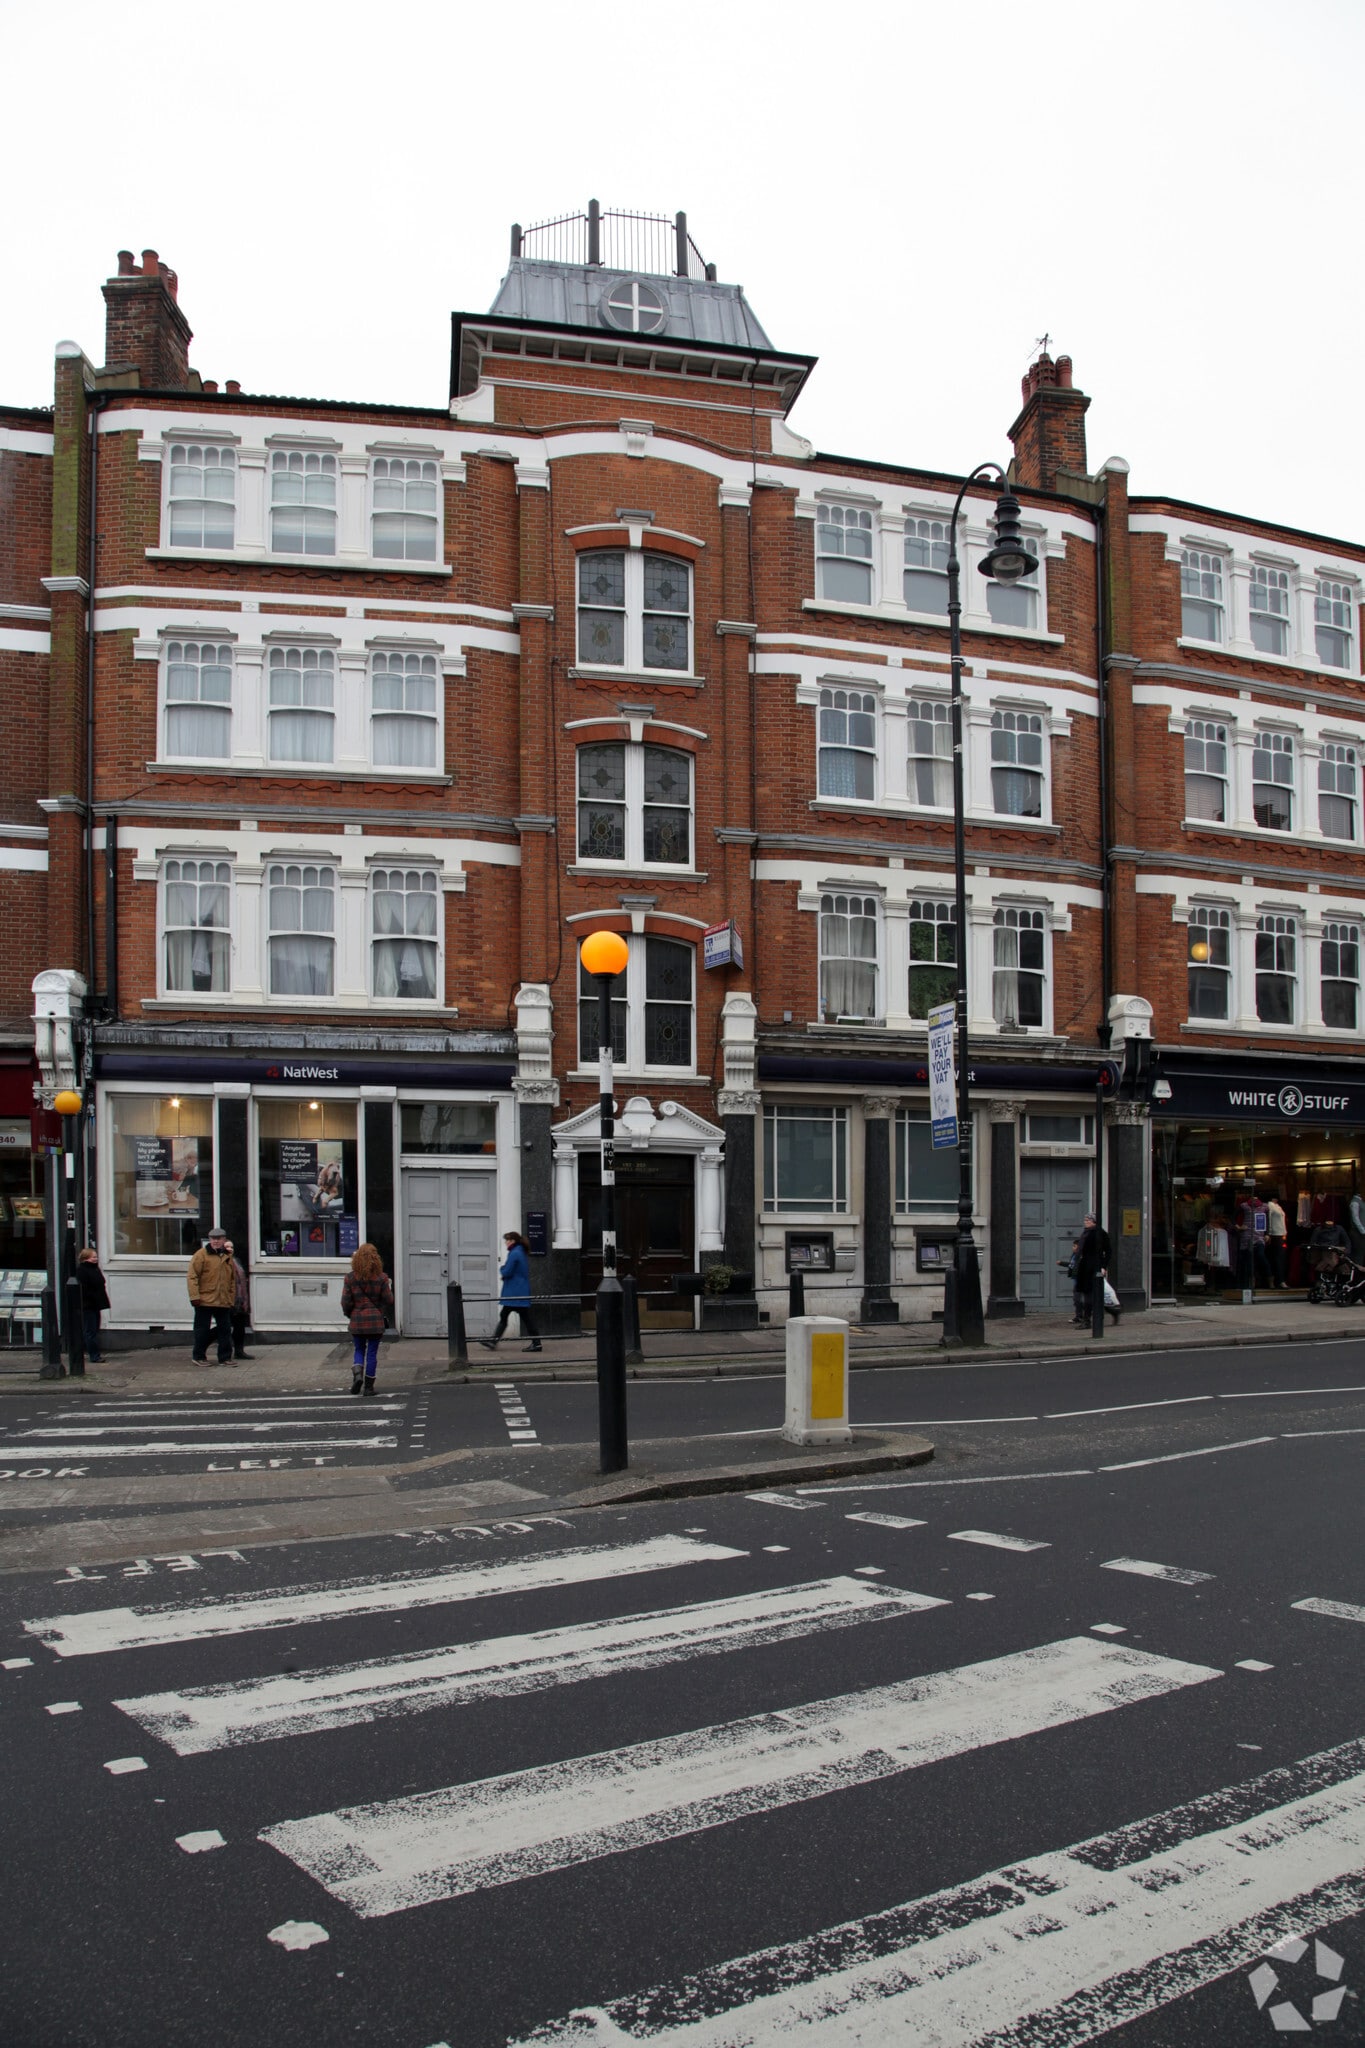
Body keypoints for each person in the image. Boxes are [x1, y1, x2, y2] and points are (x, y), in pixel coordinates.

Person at [341, 1241, 393, 1395]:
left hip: (357, 1320)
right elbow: (389, 1300)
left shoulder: (350, 1278)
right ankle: (369, 1387)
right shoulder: (382, 1278)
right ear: (375, 1259)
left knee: (359, 1349)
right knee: (372, 1353)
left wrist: (350, 1314)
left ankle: (357, 1375)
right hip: (375, 1322)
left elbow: (345, 1302)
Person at [480, 1231, 542, 1352]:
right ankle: (493, 1342)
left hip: (515, 1292)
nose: (506, 1242)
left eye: (507, 1240)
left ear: (512, 1241)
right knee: (513, 1317)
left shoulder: (514, 1253)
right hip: (519, 1291)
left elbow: (507, 1271)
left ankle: (536, 1343)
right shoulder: (520, 1251)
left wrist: (502, 1269)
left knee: (522, 1318)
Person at [187, 1225, 236, 1365]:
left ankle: (225, 1357)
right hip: (204, 1300)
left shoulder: (227, 1256)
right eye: (212, 1239)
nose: (215, 1241)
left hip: (223, 1300)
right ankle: (199, 1356)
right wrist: (194, 1296)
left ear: (224, 1239)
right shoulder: (201, 1255)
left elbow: (231, 1279)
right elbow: (192, 1276)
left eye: (218, 1239)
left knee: (225, 1330)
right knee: (201, 1330)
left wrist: (231, 1298)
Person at [1076, 1212, 1114, 1325]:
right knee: (1085, 1292)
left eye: (1088, 1220)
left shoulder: (1099, 1233)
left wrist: (1103, 1266)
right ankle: (1086, 1317)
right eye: (1085, 1220)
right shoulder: (1086, 1233)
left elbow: (1108, 1251)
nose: (1085, 1222)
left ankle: (1089, 1319)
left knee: (1091, 1293)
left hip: (1093, 1266)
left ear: (1093, 1222)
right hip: (1084, 1265)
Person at [76, 1247, 110, 1363]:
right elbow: (84, 1289)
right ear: (86, 1258)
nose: (96, 1259)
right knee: (90, 1330)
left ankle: (94, 1353)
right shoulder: (82, 1270)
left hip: (96, 1303)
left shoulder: (95, 1269)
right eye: (93, 1257)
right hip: (88, 1304)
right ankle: (94, 1355)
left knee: (94, 1329)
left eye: (96, 1256)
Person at [226, 1242, 253, 1360]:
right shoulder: (222, 1262)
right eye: (227, 1247)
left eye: (232, 1247)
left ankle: (239, 1351)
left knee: (239, 1327)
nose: (230, 1249)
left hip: (240, 1299)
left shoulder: (237, 1261)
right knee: (224, 1327)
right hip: (228, 1300)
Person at [1058, 1238, 1084, 1324]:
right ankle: (1079, 1316)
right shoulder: (1074, 1255)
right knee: (1076, 1299)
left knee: (1078, 1298)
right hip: (1076, 1279)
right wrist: (1061, 1263)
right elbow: (1071, 1265)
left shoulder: (1082, 1256)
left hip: (1080, 1280)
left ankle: (1081, 1316)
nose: (1073, 1248)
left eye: (1074, 1246)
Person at [1265, 1194, 1288, 1289]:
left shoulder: (1278, 1206)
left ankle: (1279, 1280)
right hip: (1274, 1235)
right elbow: (1268, 1219)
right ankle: (1279, 1281)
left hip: (1280, 1234)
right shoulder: (1269, 1206)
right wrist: (1268, 1233)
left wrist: (1285, 1232)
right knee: (1277, 1258)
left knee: (1280, 1258)